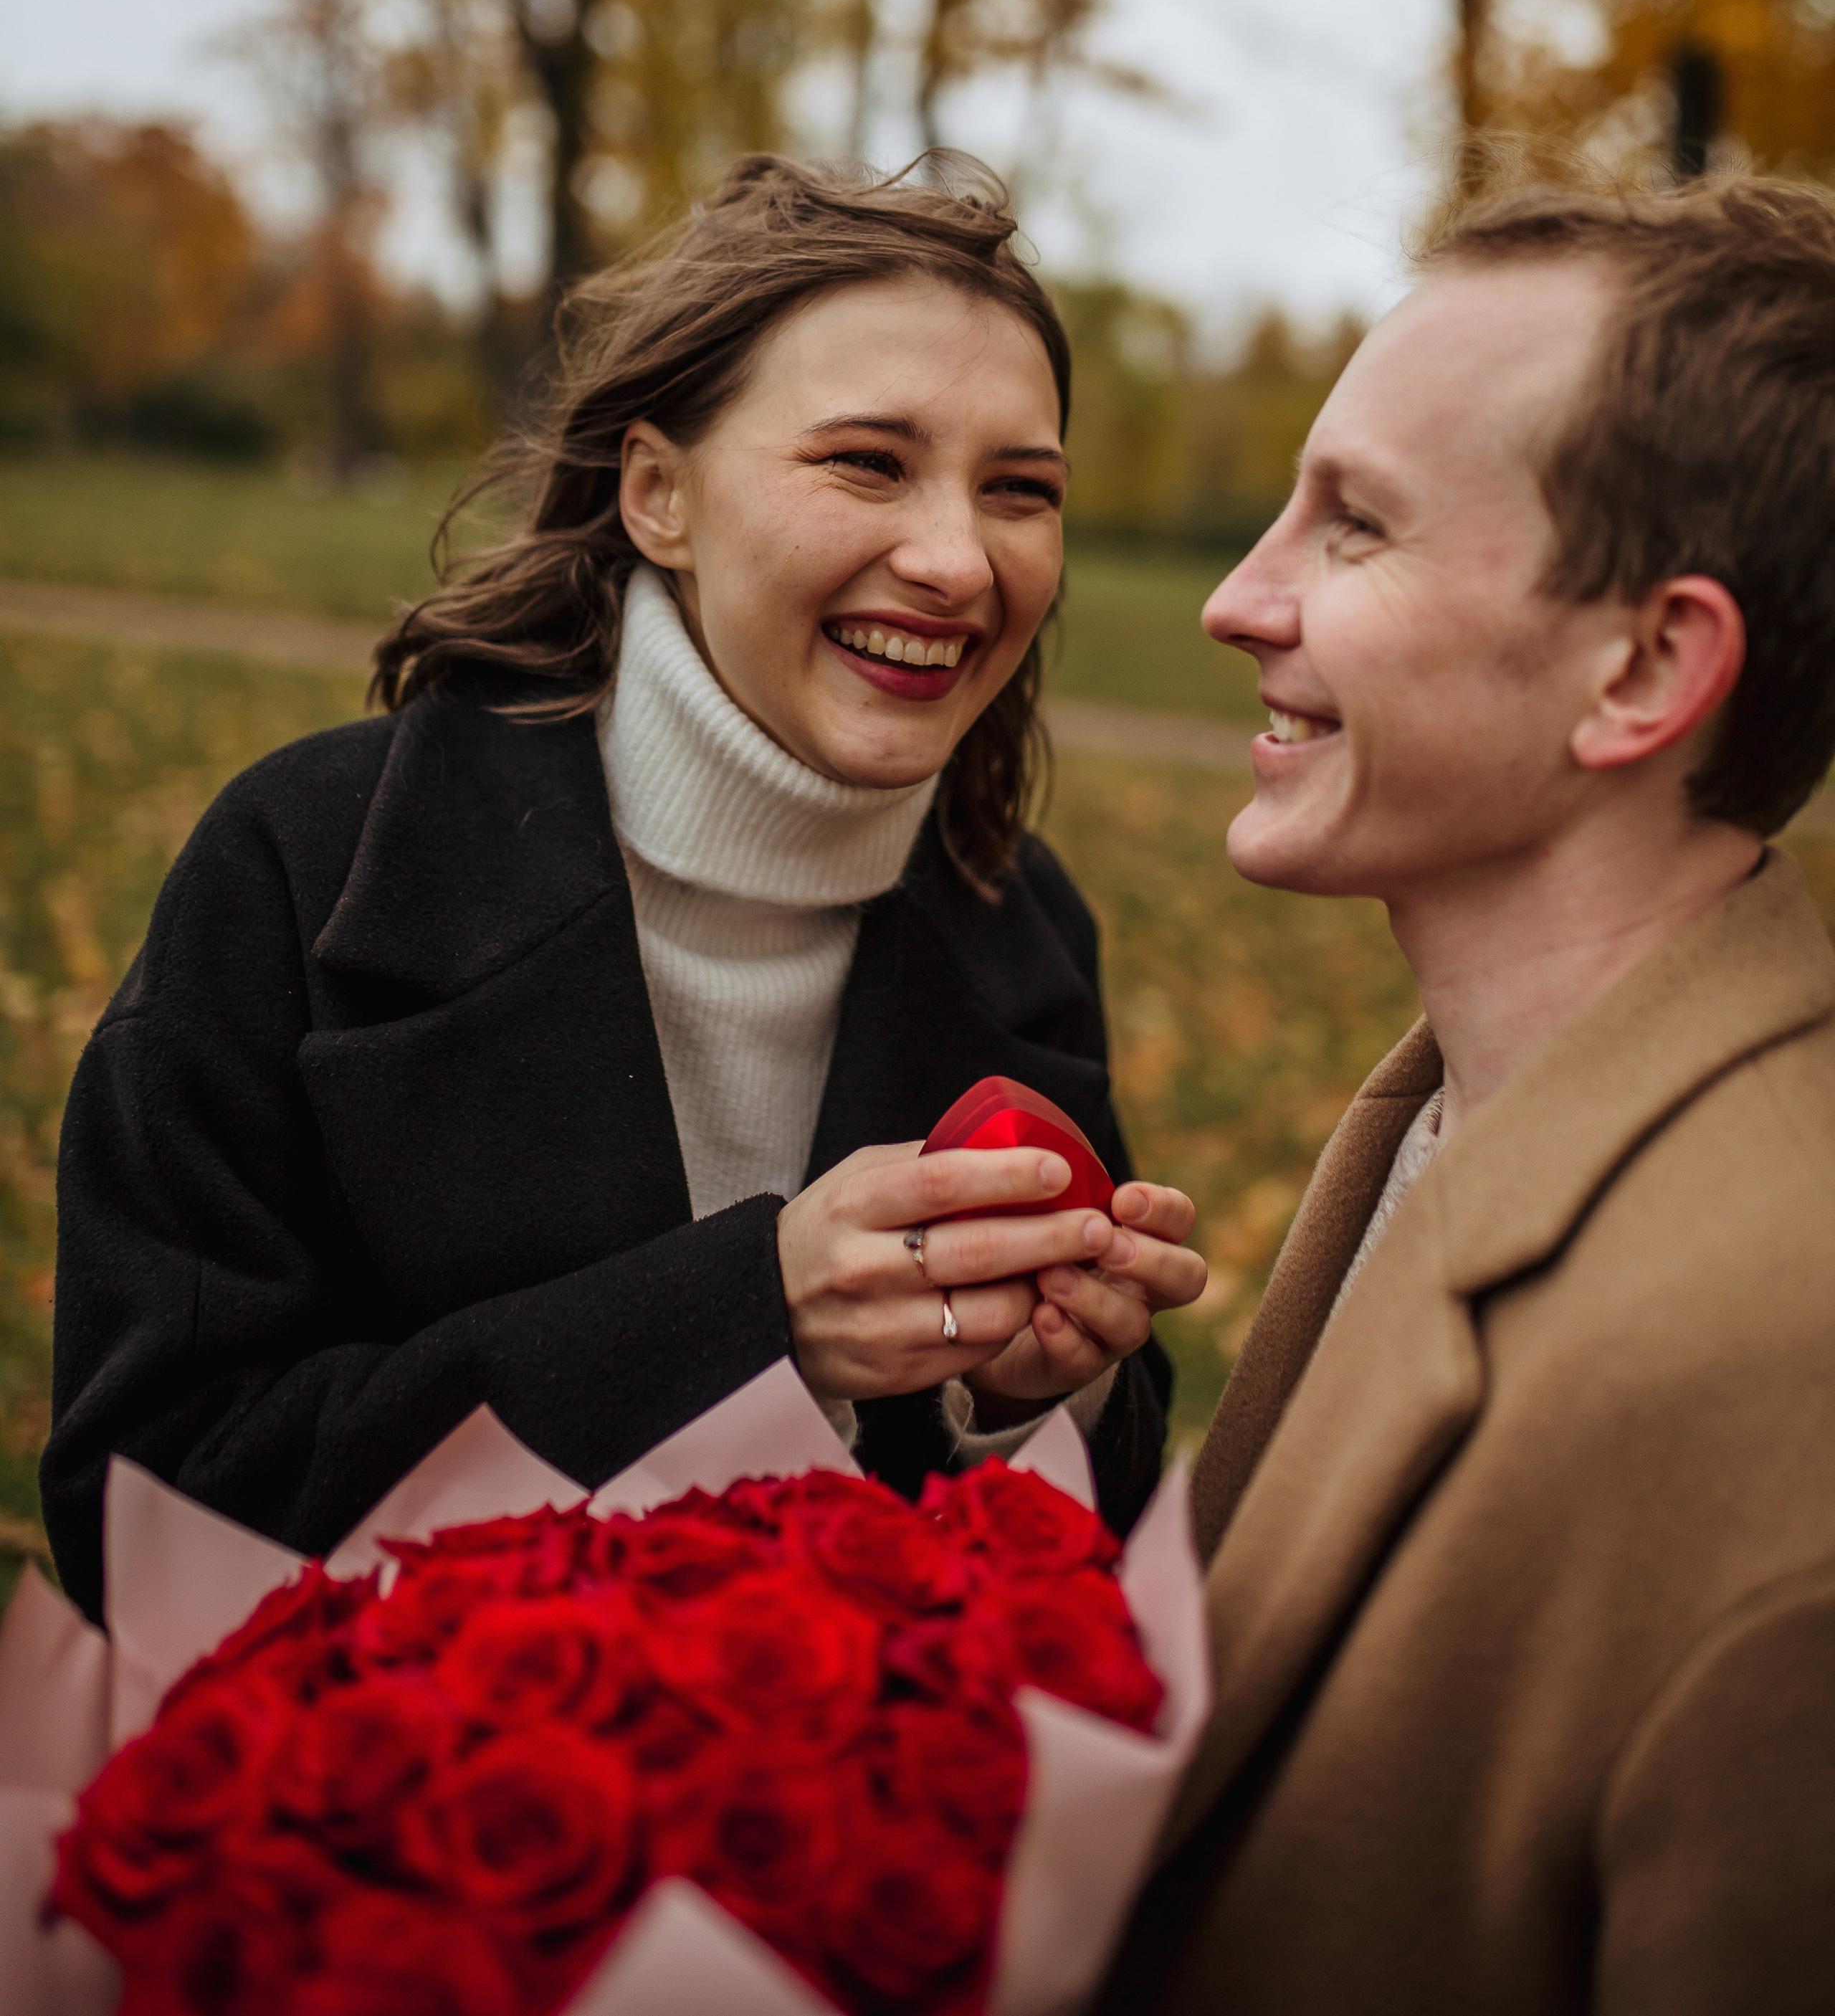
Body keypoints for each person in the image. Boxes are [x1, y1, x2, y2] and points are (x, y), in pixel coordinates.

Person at [42, 153, 1206, 1622]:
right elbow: (148, 1509)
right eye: (866, 461)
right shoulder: (306, 864)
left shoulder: (1021, 923)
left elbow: (1081, 1573)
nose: (956, 560)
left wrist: (1036, 1404)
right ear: (656, 493)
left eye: (1020, 490)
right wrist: (747, 1321)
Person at [1121, 175, 1835, 2015]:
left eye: (1352, 524)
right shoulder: (1456, 1115)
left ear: (1642, 668)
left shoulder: (1779, 1372)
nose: (1232, 598)